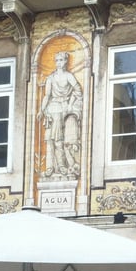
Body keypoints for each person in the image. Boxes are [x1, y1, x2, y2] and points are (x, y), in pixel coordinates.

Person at [38, 51, 82, 179]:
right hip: (52, 108)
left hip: (63, 108)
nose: (59, 63)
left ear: (66, 61)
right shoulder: (51, 78)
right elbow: (47, 96)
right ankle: (50, 167)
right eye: (57, 60)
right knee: (49, 140)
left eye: (61, 60)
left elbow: (78, 90)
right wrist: (41, 110)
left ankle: (62, 165)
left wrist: (70, 104)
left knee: (58, 140)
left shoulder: (69, 76)